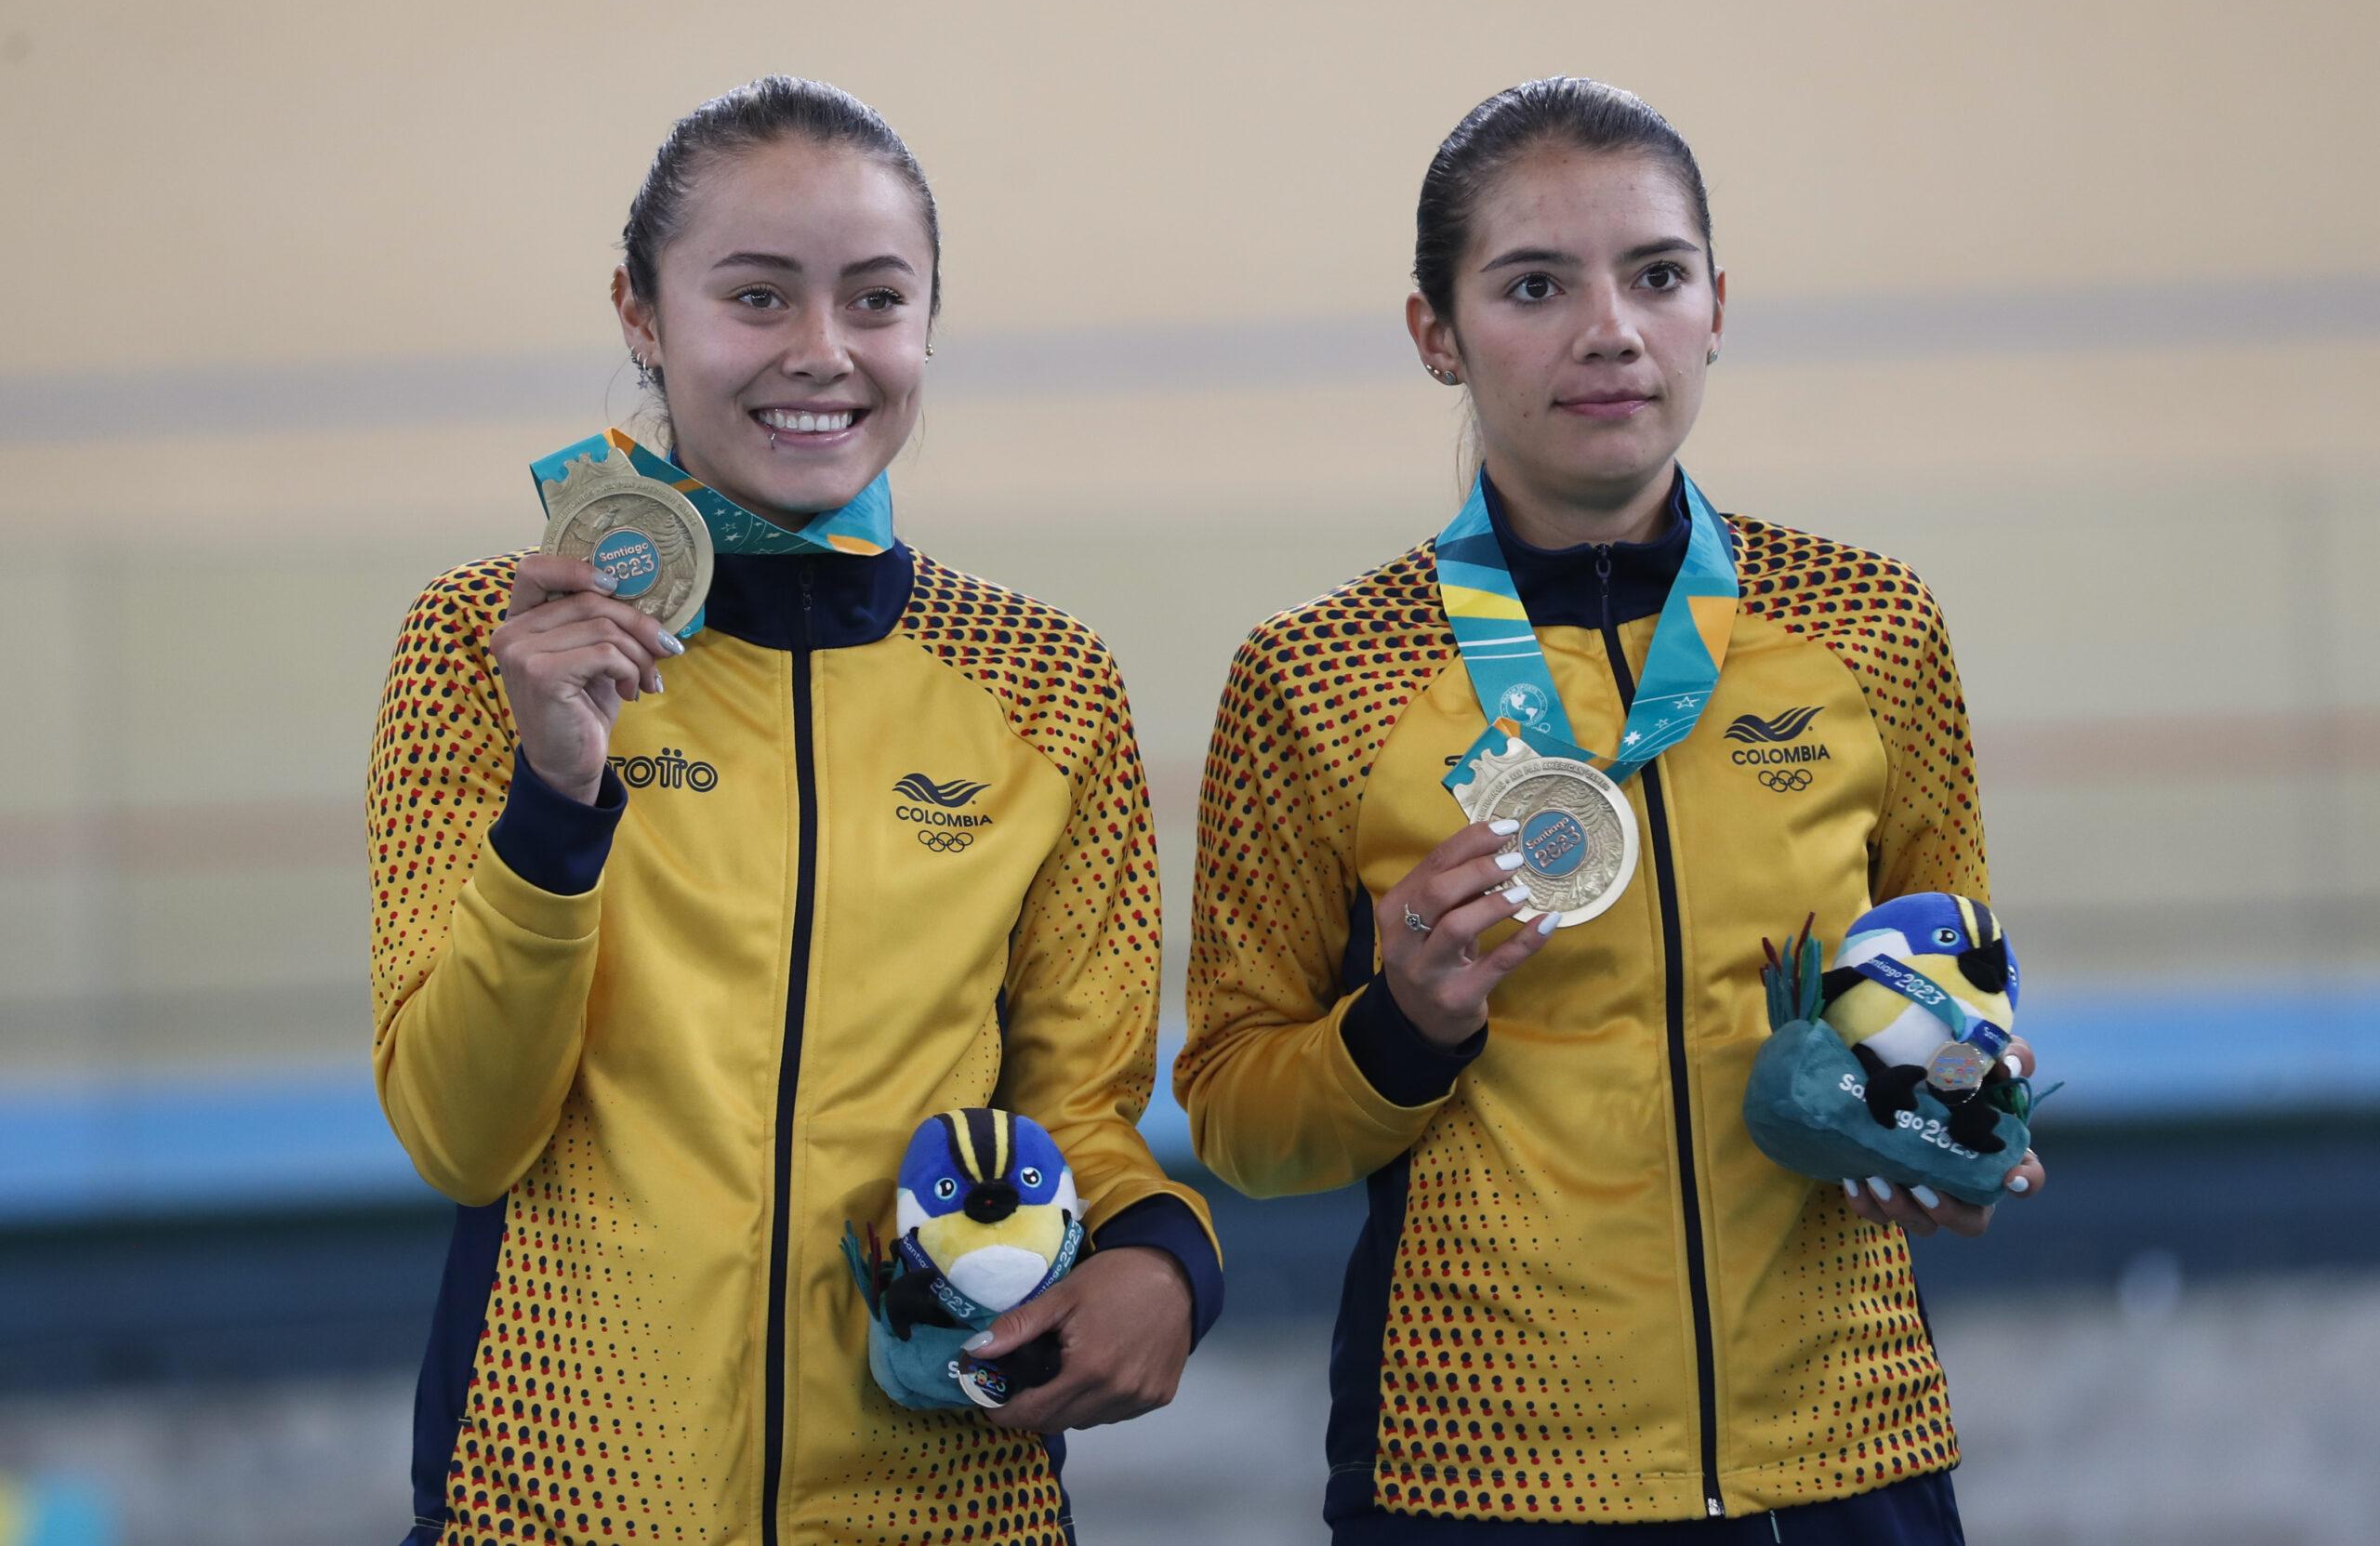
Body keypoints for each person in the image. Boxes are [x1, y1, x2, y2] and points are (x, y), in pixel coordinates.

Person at [1177, 78, 2042, 1542]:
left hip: (1850, 1445)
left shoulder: (1869, 625)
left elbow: (1954, 966)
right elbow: (1240, 1121)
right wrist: (1403, 1026)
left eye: (1656, 274)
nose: (1609, 330)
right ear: (1435, 334)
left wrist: (1963, 1114)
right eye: (1534, 285)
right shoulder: (1317, 678)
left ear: (1717, 305)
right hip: (1481, 1466)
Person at [368, 76, 1221, 1546]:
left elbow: (1077, 1118)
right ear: (641, 312)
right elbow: (460, 1135)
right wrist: (557, 797)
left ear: (929, 325)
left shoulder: (1043, 681)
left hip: (946, 1505)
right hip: (557, 1502)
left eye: (877, 300)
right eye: (757, 297)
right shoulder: (482, 645)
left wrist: (1168, 1260)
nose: (822, 354)